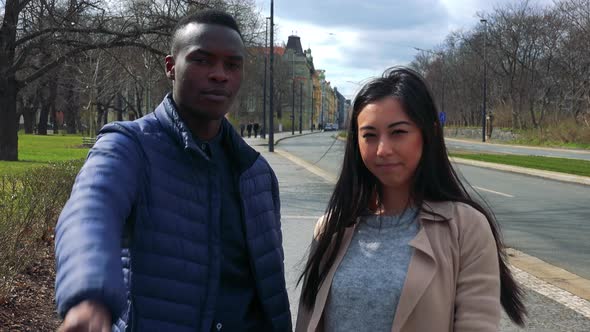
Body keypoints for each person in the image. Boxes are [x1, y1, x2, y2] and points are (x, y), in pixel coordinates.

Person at [55, 10, 291, 332]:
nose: (219, 74)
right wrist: (89, 296)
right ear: (171, 67)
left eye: (232, 65)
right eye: (202, 60)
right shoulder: (130, 146)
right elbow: (90, 211)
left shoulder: (257, 174)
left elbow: (269, 290)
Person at [295, 67, 526, 332]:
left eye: (398, 132)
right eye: (369, 135)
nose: (383, 149)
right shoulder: (331, 229)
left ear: (428, 134)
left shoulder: (466, 228)